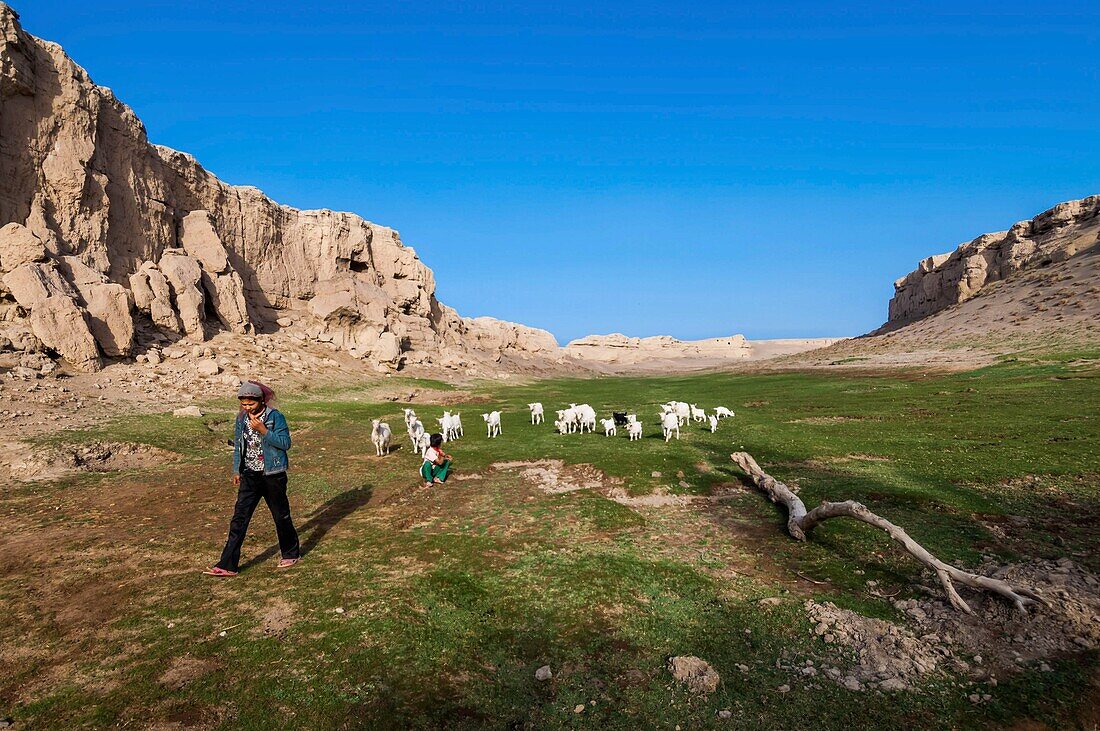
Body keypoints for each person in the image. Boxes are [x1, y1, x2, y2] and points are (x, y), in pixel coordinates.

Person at [204, 381, 301, 576]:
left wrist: (264, 431)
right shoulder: (241, 419)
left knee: (281, 516)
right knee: (239, 518)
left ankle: (291, 553)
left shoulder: (275, 417)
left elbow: (285, 443)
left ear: (261, 400)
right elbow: (239, 447)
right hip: (250, 475)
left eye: (251, 404)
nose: (247, 407)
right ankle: (227, 565)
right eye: (244, 404)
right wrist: (236, 470)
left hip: (273, 474)